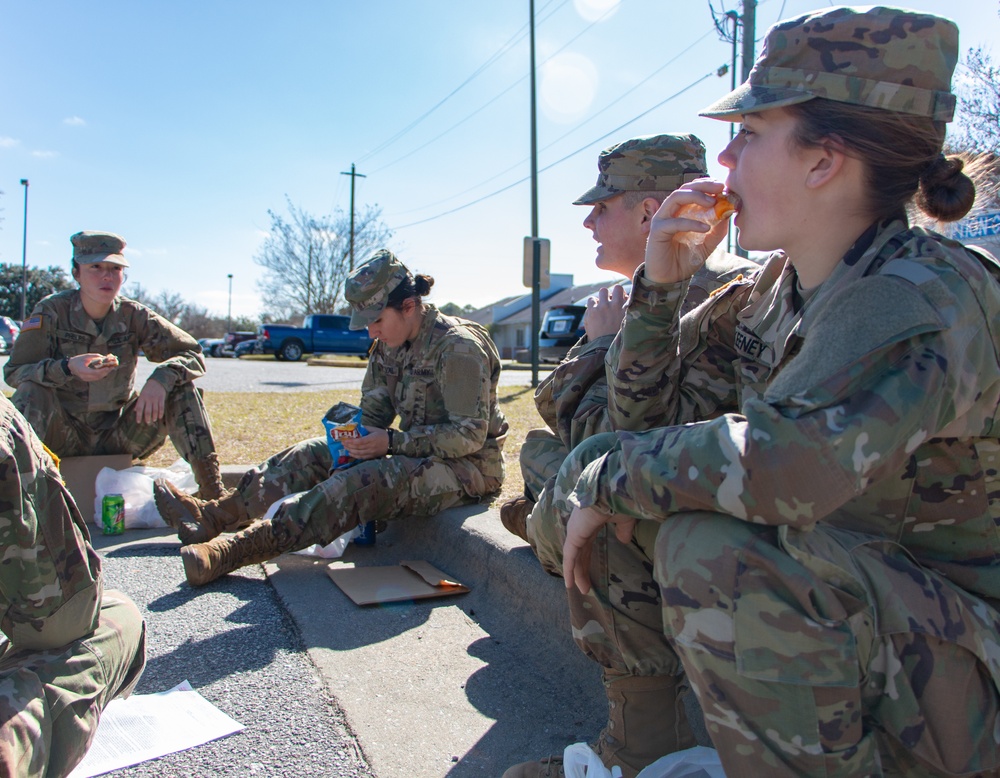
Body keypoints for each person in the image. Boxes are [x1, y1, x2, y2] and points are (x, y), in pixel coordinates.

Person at [509, 6, 1000, 777]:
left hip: (956, 674)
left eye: (751, 131)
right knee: (641, 499)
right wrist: (662, 289)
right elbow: (644, 423)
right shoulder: (773, 288)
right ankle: (643, 754)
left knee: (715, 546)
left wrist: (603, 476)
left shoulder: (920, 296)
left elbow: (786, 470)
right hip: (859, 615)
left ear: (822, 161)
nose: (726, 157)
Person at [154, 249, 508, 587]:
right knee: (311, 453)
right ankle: (213, 517)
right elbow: (375, 408)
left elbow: (468, 436)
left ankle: (235, 550)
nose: (371, 332)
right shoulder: (389, 342)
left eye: (376, 320)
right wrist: (351, 441)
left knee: (368, 480)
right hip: (417, 451)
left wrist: (393, 442)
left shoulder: (458, 348)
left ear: (410, 306)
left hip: (469, 469)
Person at [500, 133, 756, 545]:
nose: (588, 222)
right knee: (535, 449)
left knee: (544, 454)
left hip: (655, 510)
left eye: (601, 207)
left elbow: (607, 440)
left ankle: (538, 522)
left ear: (648, 214)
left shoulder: (707, 297)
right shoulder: (667, 288)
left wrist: (600, 345)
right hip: (640, 488)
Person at [4, 231, 227, 499]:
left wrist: (162, 378)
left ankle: (214, 495)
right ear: (77, 273)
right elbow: (16, 372)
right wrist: (66, 368)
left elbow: (193, 351)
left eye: (115, 268)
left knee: (181, 387)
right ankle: (12, 500)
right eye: (95, 267)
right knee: (32, 392)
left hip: (118, 435)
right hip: (61, 434)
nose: (107, 276)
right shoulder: (52, 311)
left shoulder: (133, 315)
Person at [0, 393, 146, 778]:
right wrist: (65, 369)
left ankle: (219, 519)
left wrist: (163, 377)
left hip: (105, 435)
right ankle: (21, 732)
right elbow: (65, 619)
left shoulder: (137, 327)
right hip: (58, 429)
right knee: (117, 617)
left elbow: (188, 357)